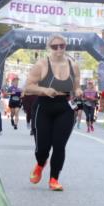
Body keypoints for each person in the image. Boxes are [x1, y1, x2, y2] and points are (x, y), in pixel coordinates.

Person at [23, 35, 80, 191]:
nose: (59, 49)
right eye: (55, 46)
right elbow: (28, 87)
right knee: (43, 147)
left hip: (65, 107)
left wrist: (78, 91)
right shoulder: (41, 64)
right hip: (44, 106)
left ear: (65, 46)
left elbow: (76, 86)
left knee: (59, 145)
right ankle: (41, 163)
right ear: (49, 48)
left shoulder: (73, 65)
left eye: (62, 45)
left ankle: (54, 178)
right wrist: (44, 90)